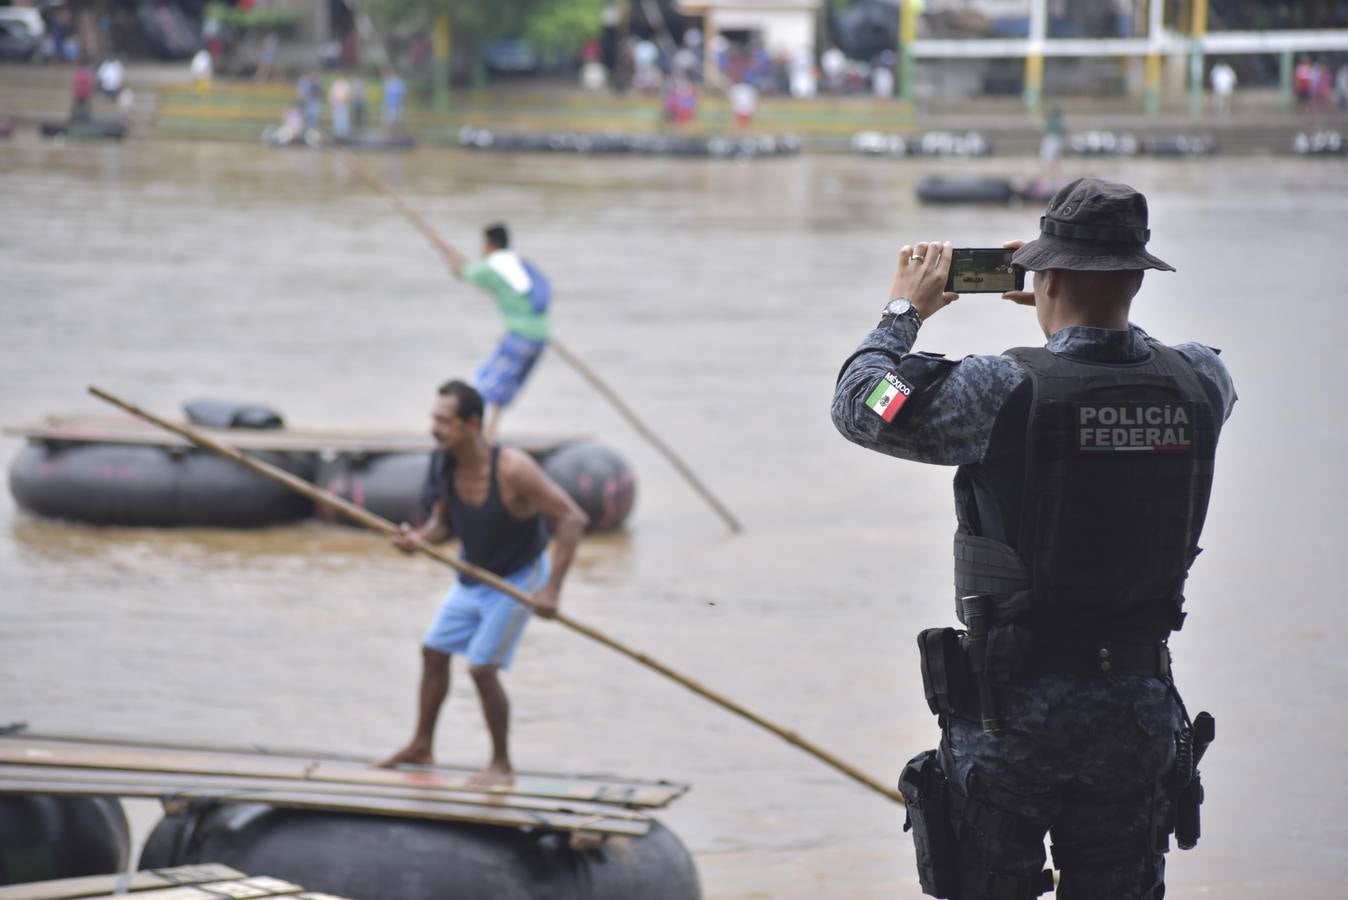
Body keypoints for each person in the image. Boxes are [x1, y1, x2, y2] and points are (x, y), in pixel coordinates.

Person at [831, 178, 1236, 899]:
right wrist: (1069, 303)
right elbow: (1168, 361)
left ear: (1044, 277)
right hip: (1136, 714)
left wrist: (903, 312)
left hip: (1011, 718)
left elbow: (864, 403)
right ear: (1137, 280)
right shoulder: (1199, 381)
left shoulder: (1002, 388)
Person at [377, 380, 588, 785]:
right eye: (433, 418)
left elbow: (572, 519)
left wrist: (552, 591)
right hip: (472, 574)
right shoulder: (444, 462)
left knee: (481, 667)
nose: (434, 428)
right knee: (434, 652)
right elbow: (444, 524)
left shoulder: (512, 468)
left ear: (472, 425)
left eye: (444, 421)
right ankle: (421, 746)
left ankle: (501, 765)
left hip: (518, 578)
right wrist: (420, 539)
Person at [441, 224, 552, 439]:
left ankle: (470, 431)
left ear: (490, 244)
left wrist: (444, 251)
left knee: (481, 381)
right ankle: (491, 430)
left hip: (520, 335)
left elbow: (461, 272)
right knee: (506, 384)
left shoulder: (493, 265)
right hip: (540, 335)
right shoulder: (519, 262)